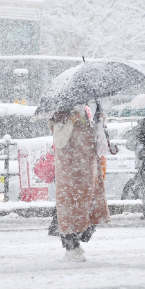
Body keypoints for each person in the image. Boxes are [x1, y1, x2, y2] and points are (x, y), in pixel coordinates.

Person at [49, 104, 110, 262]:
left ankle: (76, 243)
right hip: (70, 173)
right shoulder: (61, 117)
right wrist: (70, 122)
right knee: (71, 210)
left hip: (86, 173)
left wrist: (100, 125)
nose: (81, 104)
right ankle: (71, 246)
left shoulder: (86, 117)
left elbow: (97, 145)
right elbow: (60, 142)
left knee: (87, 209)